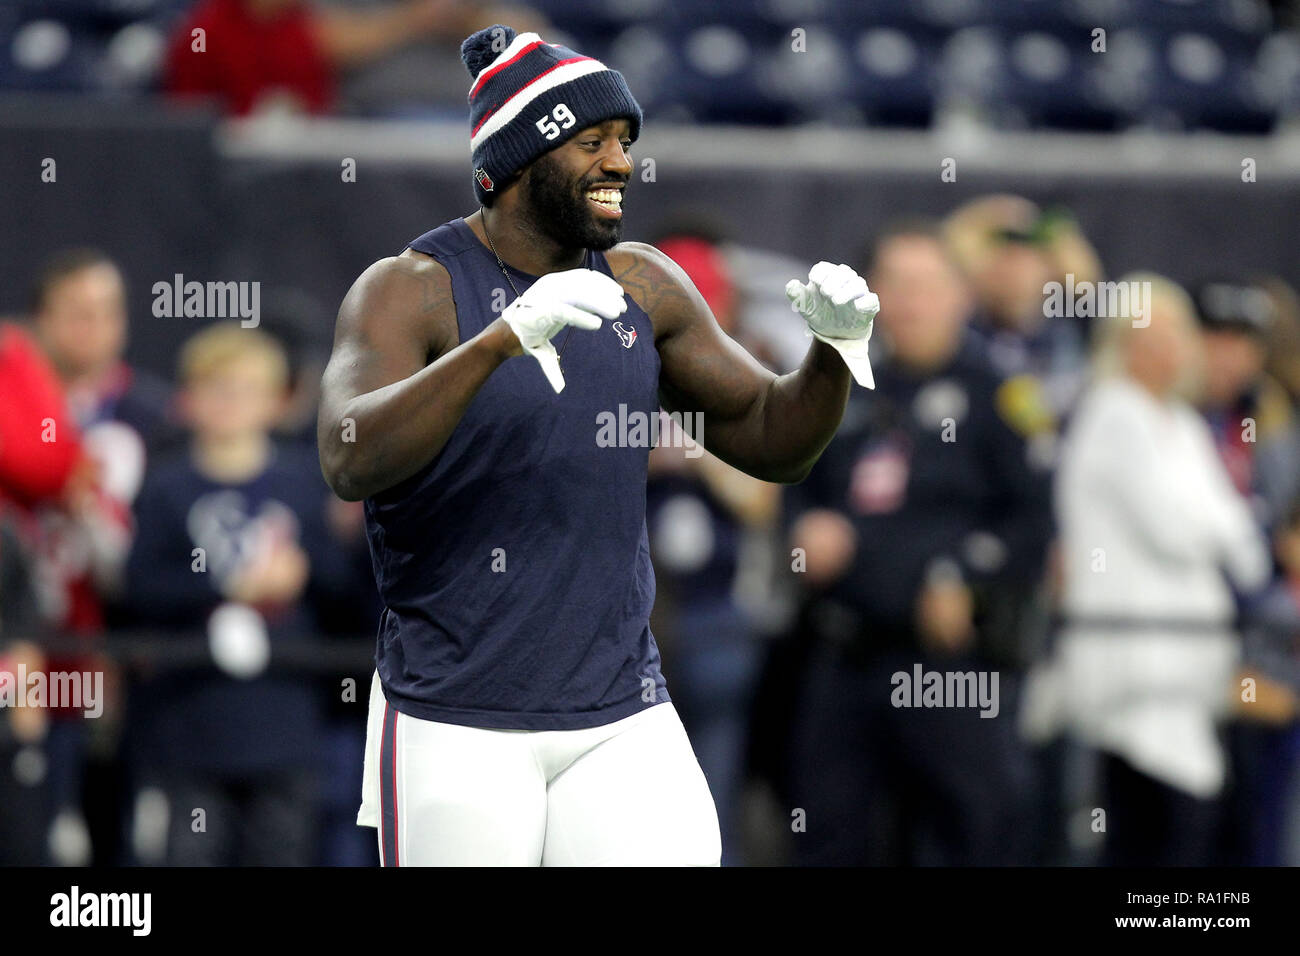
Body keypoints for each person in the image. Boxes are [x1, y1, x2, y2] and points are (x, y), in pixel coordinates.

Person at [316, 24, 879, 866]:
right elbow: (348, 456)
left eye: (625, 141)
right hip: (453, 712)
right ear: (513, 164)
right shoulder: (412, 288)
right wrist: (496, 345)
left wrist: (831, 354)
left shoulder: (644, 284)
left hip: (620, 706)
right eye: (592, 141)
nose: (620, 162)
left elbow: (774, 440)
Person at [784, 221, 1054, 865]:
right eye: (896, 286)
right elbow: (795, 486)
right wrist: (802, 528)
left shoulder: (1001, 396)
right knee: (825, 830)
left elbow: (1034, 521)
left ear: (962, 295)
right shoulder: (837, 386)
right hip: (845, 652)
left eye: (928, 286)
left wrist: (963, 573)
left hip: (947, 665)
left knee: (973, 829)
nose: (910, 303)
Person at [1052, 275, 1270, 866]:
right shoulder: (1113, 412)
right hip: (1132, 669)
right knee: (1153, 834)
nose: (1166, 349)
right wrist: (1225, 528)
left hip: (1189, 672)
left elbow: (1249, 551)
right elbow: (1182, 529)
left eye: (1176, 333)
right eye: (1149, 335)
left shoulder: (1184, 423)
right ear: (1120, 342)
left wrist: (1226, 529)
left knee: (1188, 831)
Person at [124, 323, 347, 865]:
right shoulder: (164, 488)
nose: (228, 404)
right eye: (214, 388)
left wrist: (303, 570)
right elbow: (138, 589)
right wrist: (228, 583)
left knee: (283, 849)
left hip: (284, 717)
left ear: (276, 401)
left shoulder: (304, 482)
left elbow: (345, 590)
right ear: (188, 398)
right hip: (189, 721)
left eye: (244, 390)